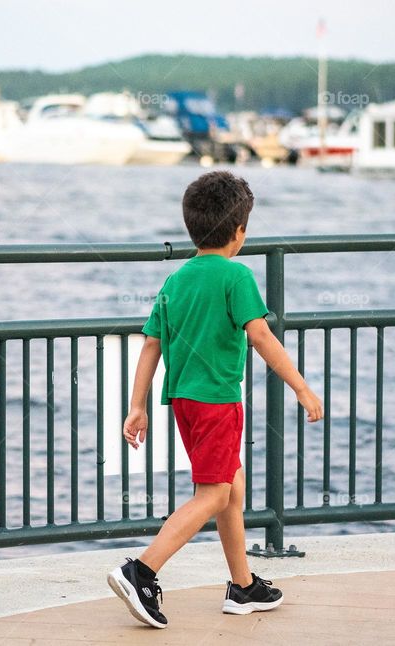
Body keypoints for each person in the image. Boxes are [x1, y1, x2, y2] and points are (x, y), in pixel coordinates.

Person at [106, 171, 324, 629]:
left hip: (182, 401)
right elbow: (261, 334)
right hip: (218, 403)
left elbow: (150, 344)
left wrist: (137, 406)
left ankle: (242, 586)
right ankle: (141, 571)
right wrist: (301, 386)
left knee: (232, 487)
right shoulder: (236, 275)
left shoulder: (177, 278)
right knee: (214, 493)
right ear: (240, 231)